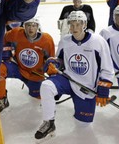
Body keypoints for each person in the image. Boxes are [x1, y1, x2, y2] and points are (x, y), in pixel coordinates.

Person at [35, 11, 114, 141]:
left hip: (86, 87)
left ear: (84, 25)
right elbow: (60, 60)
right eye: (72, 24)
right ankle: (49, 122)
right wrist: (53, 63)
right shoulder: (65, 41)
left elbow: (107, 67)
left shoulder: (98, 41)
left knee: (83, 124)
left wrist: (104, 87)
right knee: (46, 86)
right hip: (67, 79)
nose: (74, 28)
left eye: (78, 24)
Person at [0, 17, 55, 112]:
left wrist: (52, 74)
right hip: (17, 68)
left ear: (38, 27)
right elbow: (3, 39)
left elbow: (51, 61)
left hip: (35, 75)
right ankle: (2, 99)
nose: (31, 28)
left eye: (33, 25)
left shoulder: (46, 40)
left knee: (37, 96)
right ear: (24, 26)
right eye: (28, 25)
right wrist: (6, 50)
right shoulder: (16, 33)